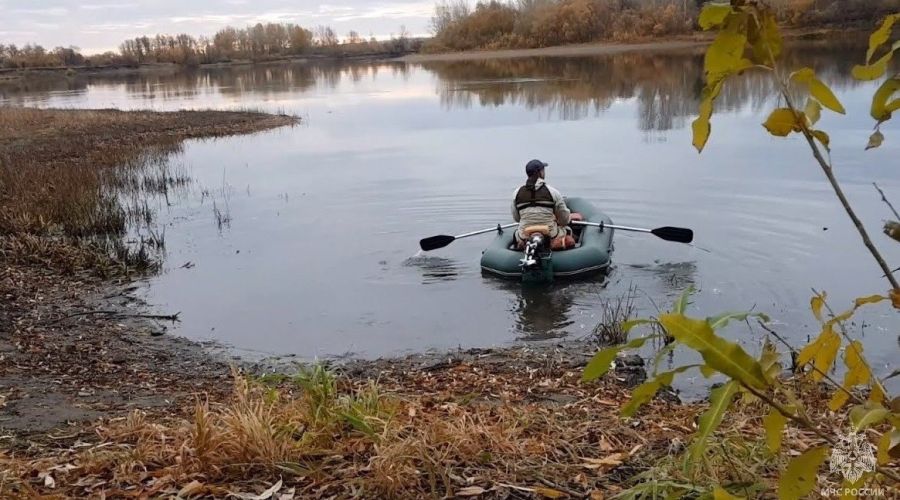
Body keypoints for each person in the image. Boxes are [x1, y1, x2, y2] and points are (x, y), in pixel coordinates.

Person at [511, 159, 582, 250]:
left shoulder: (516, 193)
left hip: (524, 235)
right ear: (540, 173)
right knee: (568, 230)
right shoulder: (553, 192)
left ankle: (521, 247)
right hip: (550, 235)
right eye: (543, 170)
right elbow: (564, 220)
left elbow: (517, 218)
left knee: (517, 234)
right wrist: (563, 218)